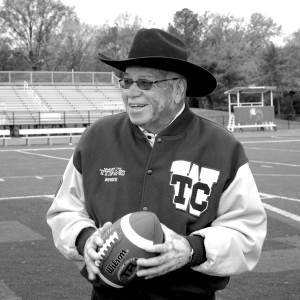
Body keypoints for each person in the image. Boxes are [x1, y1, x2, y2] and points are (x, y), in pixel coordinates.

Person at [47, 28, 267, 300]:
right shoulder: (96, 138)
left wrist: (191, 250)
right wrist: (85, 239)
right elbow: (64, 210)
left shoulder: (222, 147)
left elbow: (247, 231)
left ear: (178, 90)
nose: (132, 93)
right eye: (126, 82)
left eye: (145, 83)